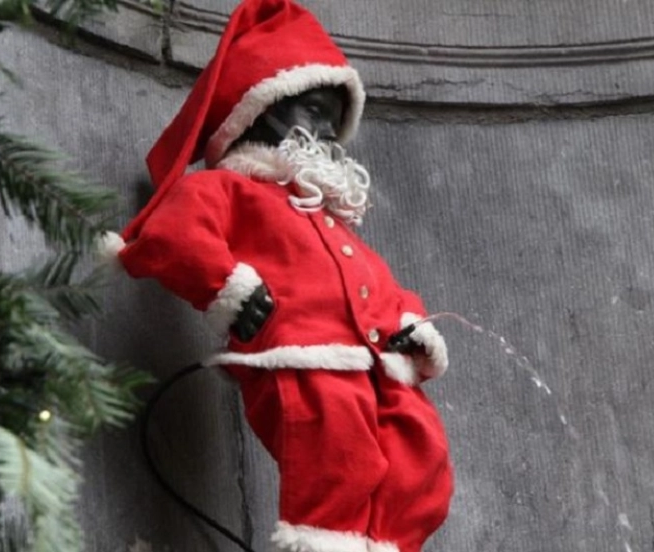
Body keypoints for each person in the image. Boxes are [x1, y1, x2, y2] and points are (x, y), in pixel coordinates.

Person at [100, 1, 454, 550]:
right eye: (313, 111)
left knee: (421, 462)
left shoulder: (325, 216)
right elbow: (173, 234)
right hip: (301, 357)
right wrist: (230, 291)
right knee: (337, 459)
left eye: (333, 121)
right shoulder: (229, 189)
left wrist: (408, 322)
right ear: (262, 109)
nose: (326, 133)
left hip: (374, 362)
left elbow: (374, 279)